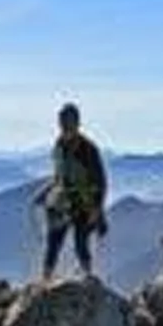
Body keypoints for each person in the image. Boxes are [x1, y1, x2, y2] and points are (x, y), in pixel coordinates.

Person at [33, 102, 109, 279]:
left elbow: (100, 182)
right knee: (54, 240)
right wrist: (45, 192)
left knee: (80, 242)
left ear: (76, 123)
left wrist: (96, 209)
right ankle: (46, 278)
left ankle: (87, 277)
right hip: (64, 201)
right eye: (63, 123)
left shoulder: (88, 150)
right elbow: (60, 176)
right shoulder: (59, 145)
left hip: (85, 204)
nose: (65, 127)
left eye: (68, 123)